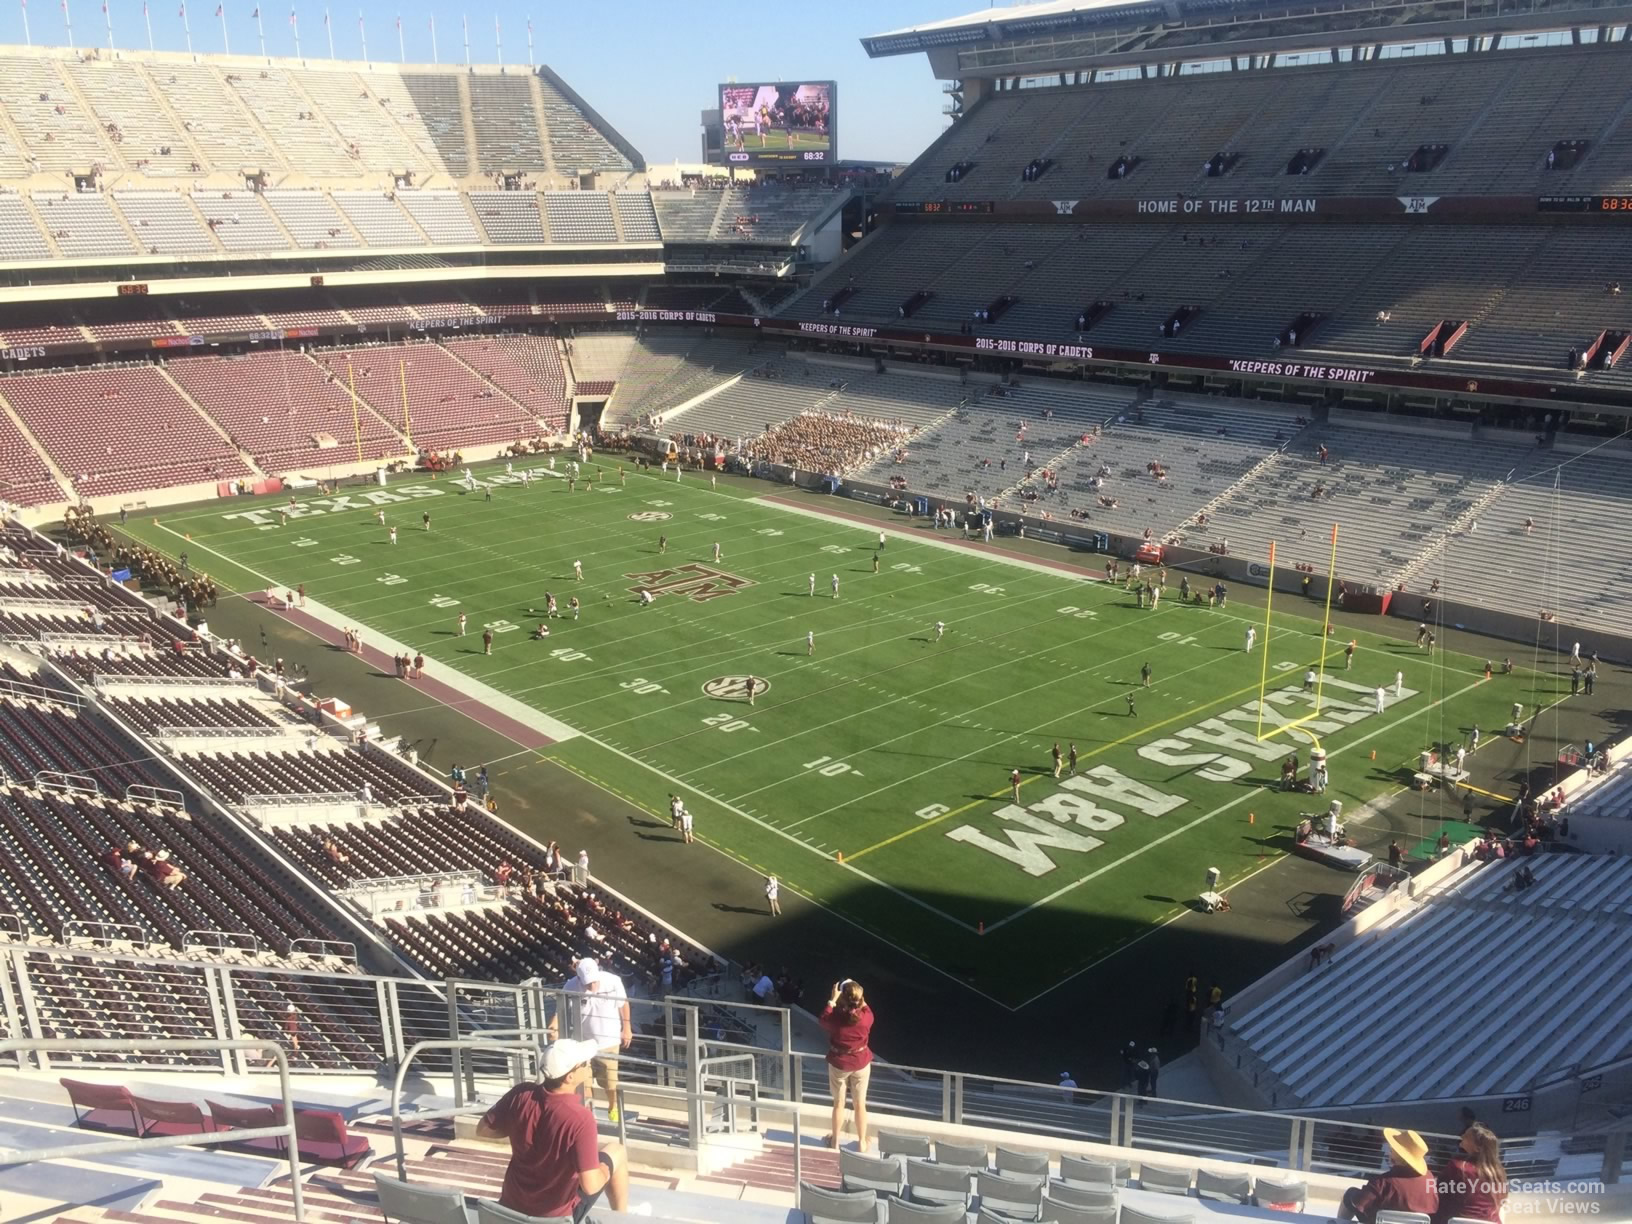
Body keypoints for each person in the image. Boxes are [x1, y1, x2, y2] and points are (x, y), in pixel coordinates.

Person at [476, 1037, 641, 1221]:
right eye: (585, 1063)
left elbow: (483, 1129)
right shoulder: (580, 1119)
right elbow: (591, 1186)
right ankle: (622, 1217)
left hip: (510, 1210)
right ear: (570, 1077)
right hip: (553, 1218)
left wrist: (521, 1130)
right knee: (616, 1151)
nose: (589, 1066)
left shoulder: (521, 1094)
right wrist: (605, 1169)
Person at [558, 956, 632, 1123]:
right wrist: (554, 1024)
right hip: (583, 1044)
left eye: (593, 982)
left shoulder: (613, 981)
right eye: (587, 983)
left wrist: (626, 1028)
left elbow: (623, 1004)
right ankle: (588, 1114)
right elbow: (560, 1008)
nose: (591, 986)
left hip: (609, 1042)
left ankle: (613, 1107)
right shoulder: (571, 986)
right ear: (579, 978)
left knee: (610, 1083)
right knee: (584, 1083)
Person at [1338, 1129, 1439, 1222]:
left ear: (1398, 1154)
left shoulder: (1382, 1183)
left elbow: (1359, 1203)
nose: (1390, 1148)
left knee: (1350, 1194)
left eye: (1393, 1149)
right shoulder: (1429, 1178)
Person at [820, 980, 874, 1150]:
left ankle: (835, 1141)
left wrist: (832, 1000)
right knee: (860, 1104)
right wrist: (859, 996)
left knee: (838, 1103)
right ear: (860, 998)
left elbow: (823, 1020)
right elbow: (865, 1007)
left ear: (842, 998)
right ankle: (862, 1142)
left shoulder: (835, 1019)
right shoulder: (867, 1018)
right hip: (860, 1062)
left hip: (840, 1064)